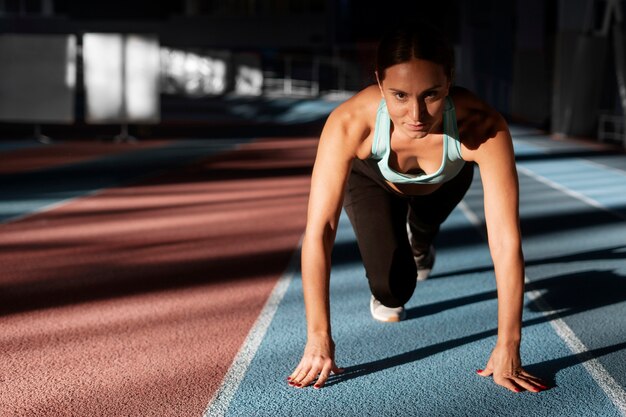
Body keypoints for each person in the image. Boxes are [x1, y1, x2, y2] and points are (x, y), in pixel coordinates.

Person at [287, 23, 547, 393]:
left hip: (444, 182)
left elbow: (505, 240)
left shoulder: (481, 127)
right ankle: (406, 248)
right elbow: (321, 230)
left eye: (431, 95)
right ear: (379, 82)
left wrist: (509, 345)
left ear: (450, 81)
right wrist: (317, 336)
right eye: (399, 95)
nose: (417, 115)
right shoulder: (349, 123)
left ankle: (421, 241)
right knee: (393, 292)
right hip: (374, 183)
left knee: (423, 228)